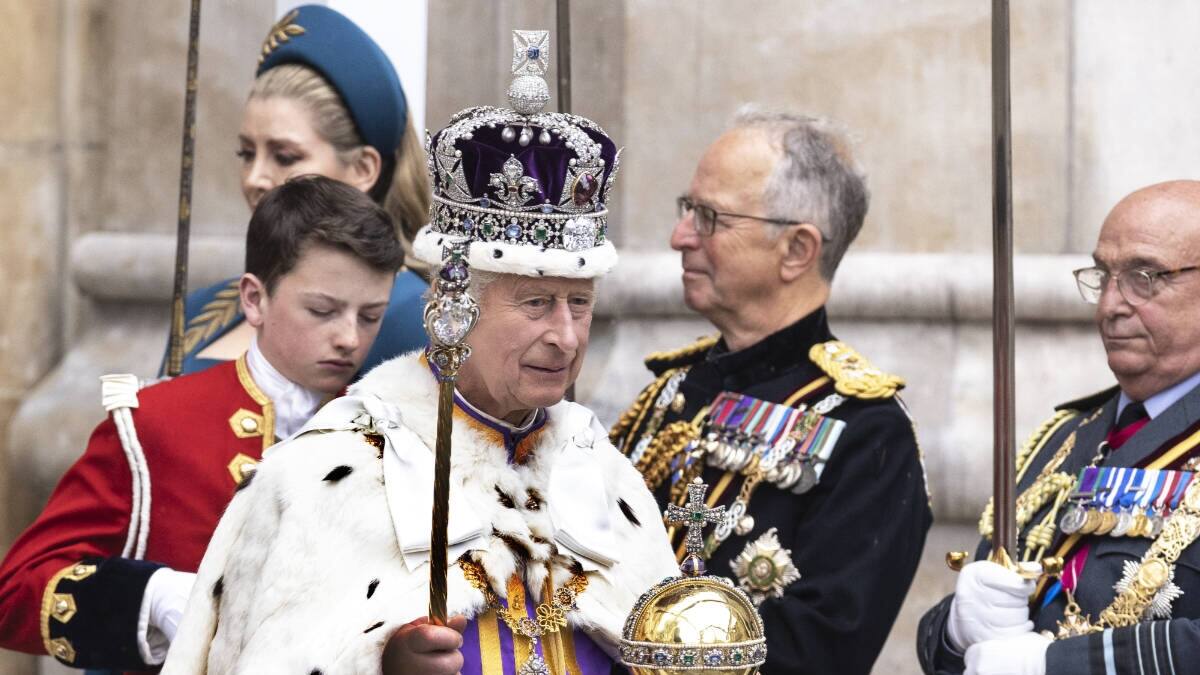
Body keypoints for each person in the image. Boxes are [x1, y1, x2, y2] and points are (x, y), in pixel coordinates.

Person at [161, 31, 678, 675]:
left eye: (580, 303)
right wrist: (383, 661)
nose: (566, 337)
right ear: (454, 303)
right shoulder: (337, 466)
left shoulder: (607, 474)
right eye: (536, 304)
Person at [0, 176, 402, 671]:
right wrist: (151, 595)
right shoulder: (157, 424)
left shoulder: (388, 434)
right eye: (322, 310)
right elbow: (17, 591)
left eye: (371, 316)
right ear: (254, 300)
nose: (348, 337)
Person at [610, 108, 933, 675]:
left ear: (797, 251)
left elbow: (815, 653)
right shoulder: (671, 391)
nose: (679, 237)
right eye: (687, 210)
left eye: (709, 218)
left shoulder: (867, 433)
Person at [918, 180, 1200, 675]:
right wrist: (956, 628)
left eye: (1143, 276)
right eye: (1103, 275)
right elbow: (944, 648)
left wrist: (1058, 665)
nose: (1110, 304)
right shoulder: (1064, 437)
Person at [169, 4, 429, 376]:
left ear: (362, 169)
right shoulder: (200, 311)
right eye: (246, 153)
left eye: (285, 156)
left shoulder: (415, 320)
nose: (255, 177)